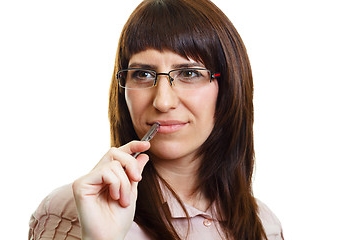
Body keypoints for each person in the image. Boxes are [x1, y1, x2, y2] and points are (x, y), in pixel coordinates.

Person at [29, 0, 284, 239]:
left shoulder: (264, 225)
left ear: (228, 87)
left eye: (189, 73)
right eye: (142, 74)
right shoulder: (76, 211)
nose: (162, 101)